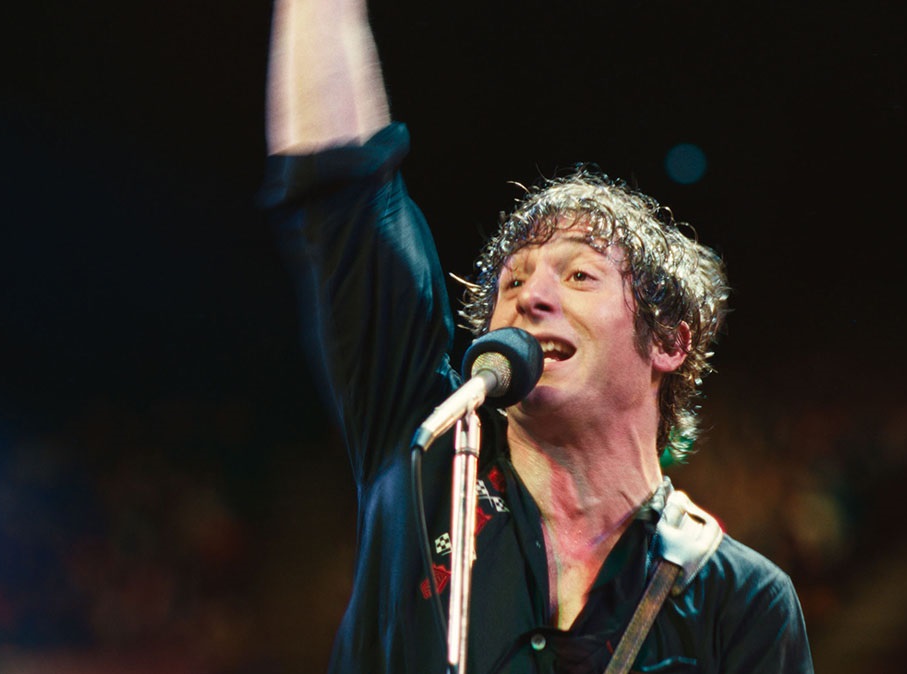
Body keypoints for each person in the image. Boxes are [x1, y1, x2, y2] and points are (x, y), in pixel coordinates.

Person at [261, 1, 815, 672]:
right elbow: (340, 192)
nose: (530, 296)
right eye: (513, 281)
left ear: (668, 342)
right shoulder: (428, 456)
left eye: (579, 275)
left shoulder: (744, 604)